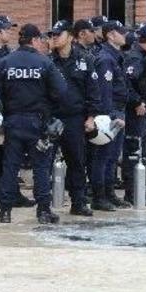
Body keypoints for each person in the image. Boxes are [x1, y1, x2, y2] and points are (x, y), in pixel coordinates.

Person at [0, 24, 68, 224]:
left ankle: (5, 211)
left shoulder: (5, 62)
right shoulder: (44, 63)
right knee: (41, 167)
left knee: (10, 166)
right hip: (38, 122)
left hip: (13, 121)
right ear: (34, 40)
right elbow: (61, 91)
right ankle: (43, 210)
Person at [0, 14, 35, 209]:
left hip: (10, 111)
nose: (10, 32)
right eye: (7, 29)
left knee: (8, 156)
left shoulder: (7, 55)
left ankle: (10, 192)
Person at [47, 20, 101, 217]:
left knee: (77, 161)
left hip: (75, 119)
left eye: (58, 34)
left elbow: (93, 91)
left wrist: (91, 117)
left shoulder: (85, 60)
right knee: (45, 162)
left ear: (70, 37)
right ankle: (44, 204)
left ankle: (78, 202)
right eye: (52, 35)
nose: (54, 38)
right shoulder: (48, 61)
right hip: (52, 118)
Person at [91, 21, 131, 210]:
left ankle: (109, 193)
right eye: (120, 32)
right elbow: (104, 91)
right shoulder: (106, 59)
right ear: (110, 35)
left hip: (117, 111)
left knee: (113, 156)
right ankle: (100, 196)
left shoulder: (115, 56)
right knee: (104, 156)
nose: (124, 35)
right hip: (110, 112)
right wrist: (110, 116)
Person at [122, 24, 146, 204]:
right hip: (135, 112)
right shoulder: (134, 58)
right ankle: (132, 192)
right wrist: (138, 102)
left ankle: (139, 190)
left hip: (145, 109)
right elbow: (127, 84)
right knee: (134, 151)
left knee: (142, 152)